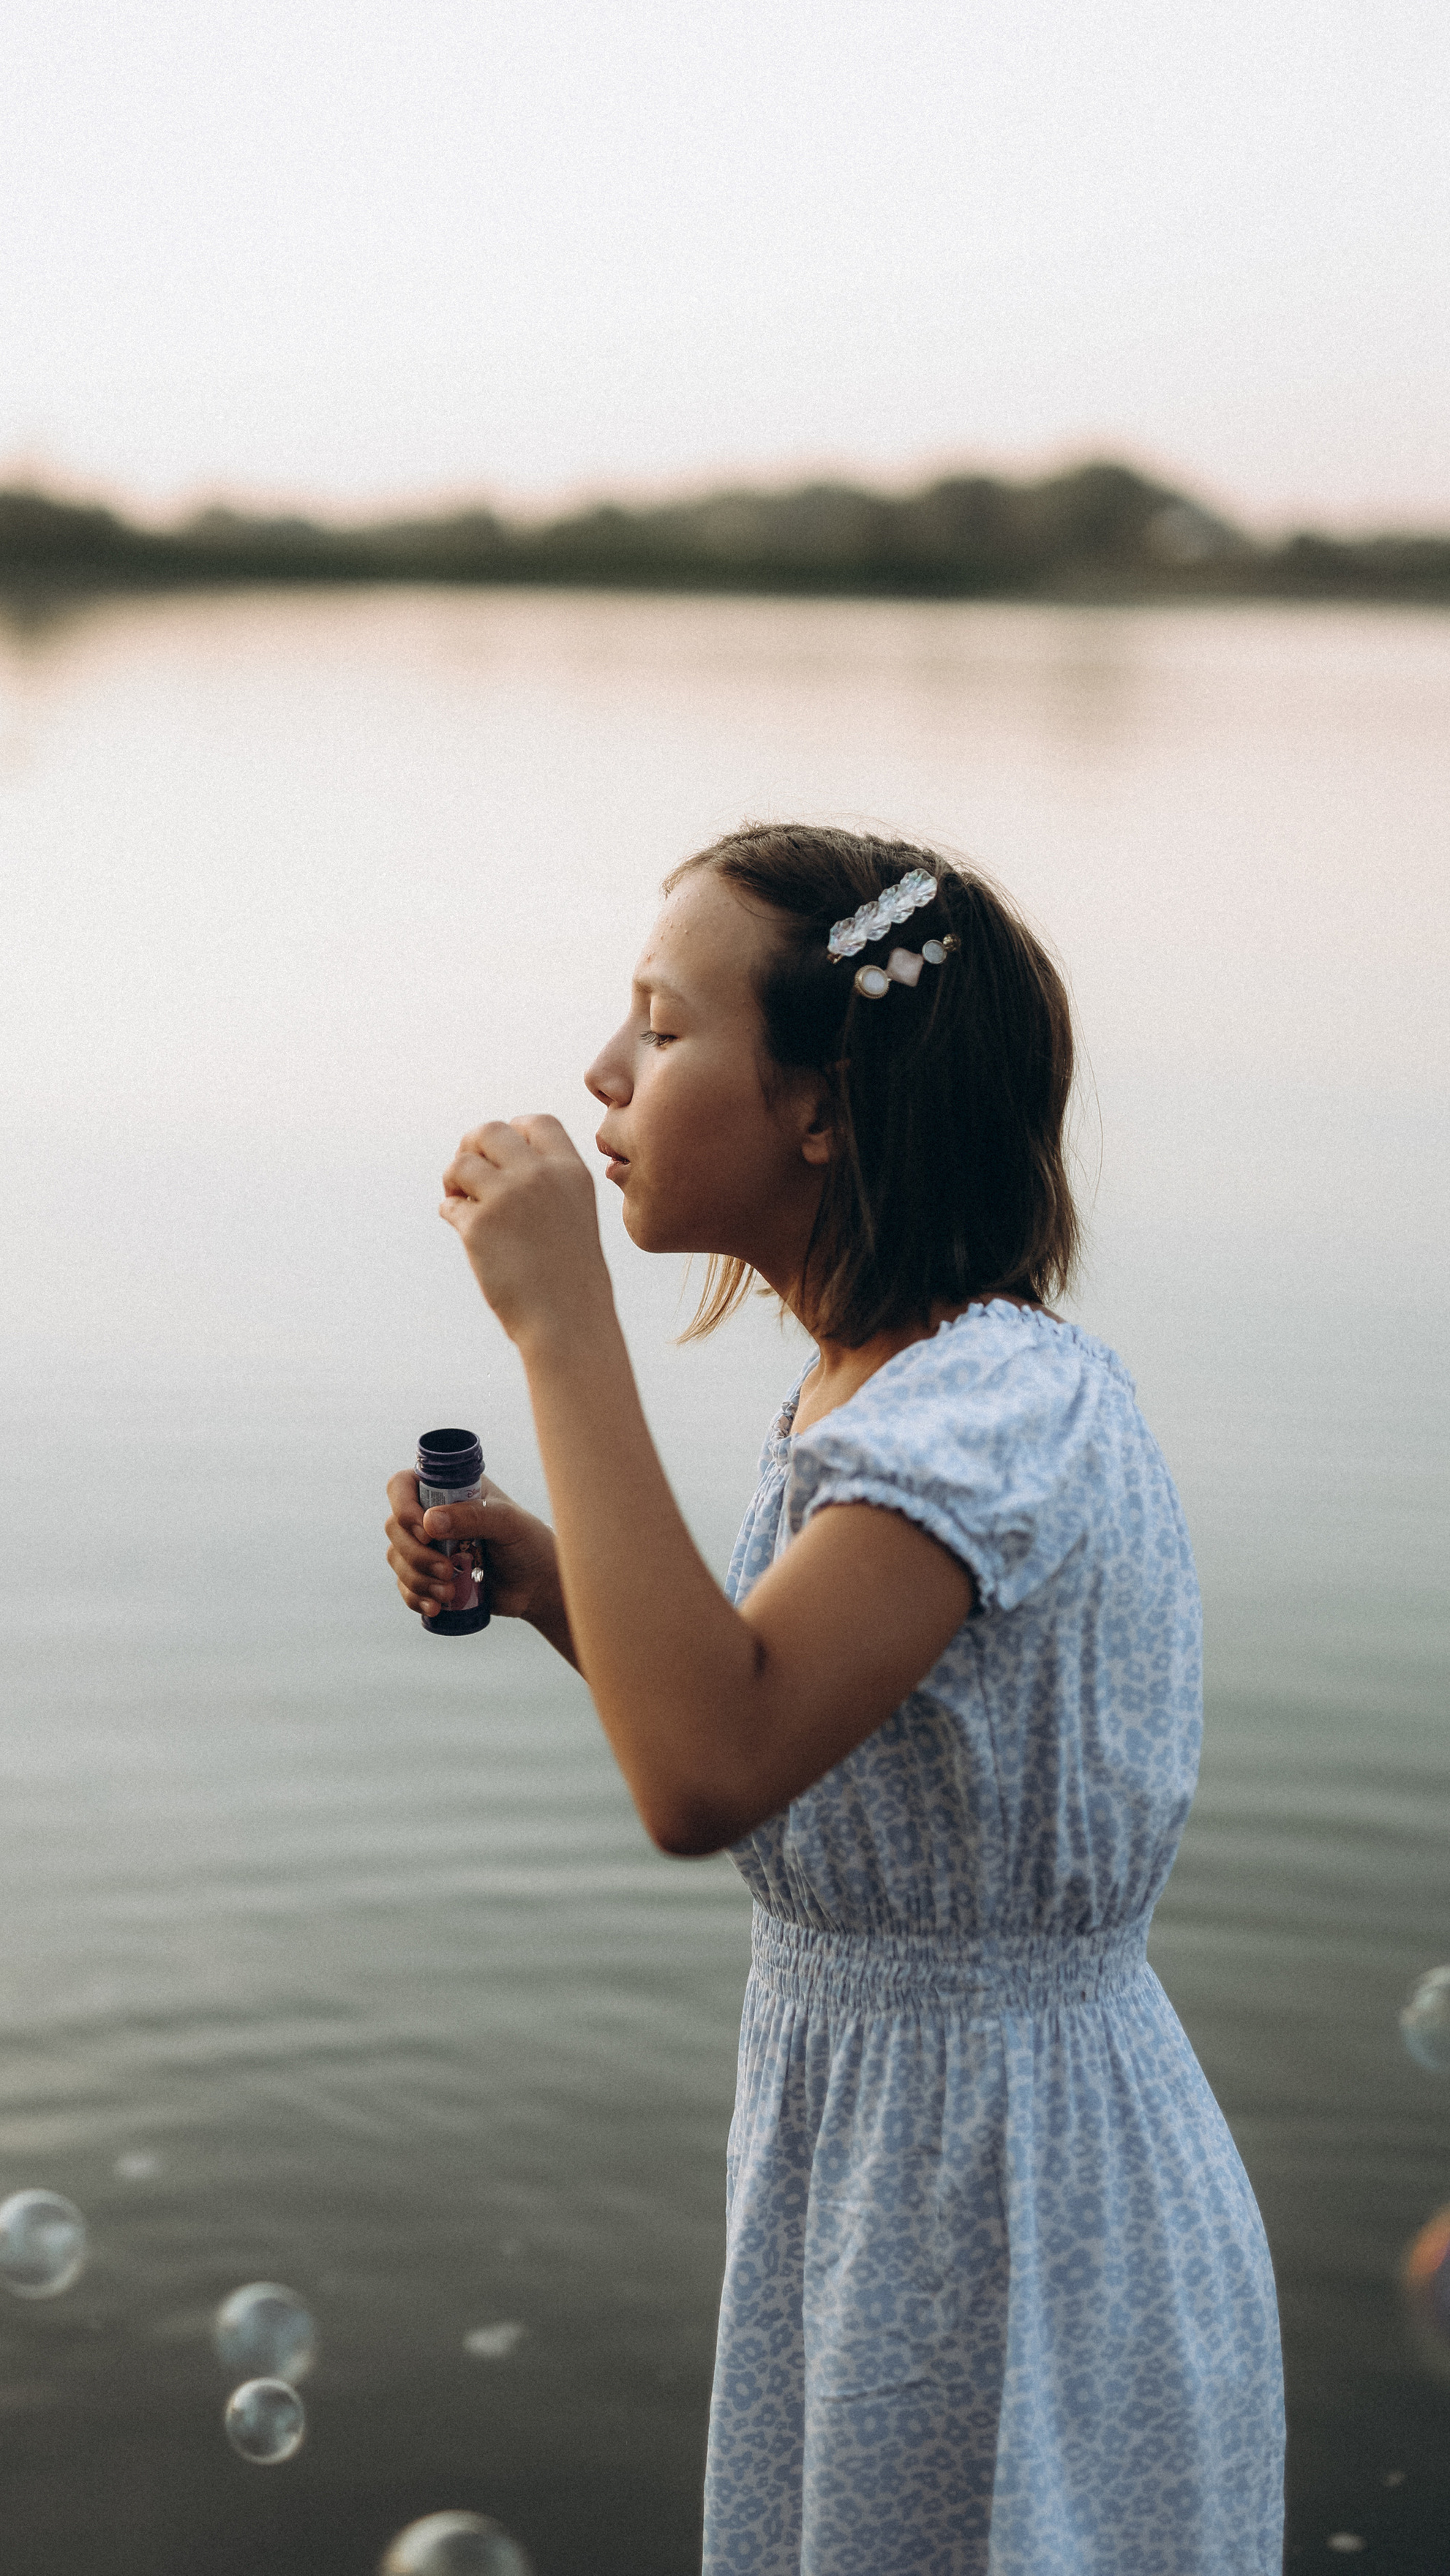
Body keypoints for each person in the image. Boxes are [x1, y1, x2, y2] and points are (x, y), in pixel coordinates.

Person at [383, 822, 1284, 2576]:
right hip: (882, 2164)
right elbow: (768, 1719)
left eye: (659, 1023)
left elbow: (702, 1771)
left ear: (823, 1104)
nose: (598, 1072)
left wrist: (561, 1322)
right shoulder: (869, 1393)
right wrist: (553, 1579)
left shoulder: (987, 1414)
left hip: (1013, 2200)